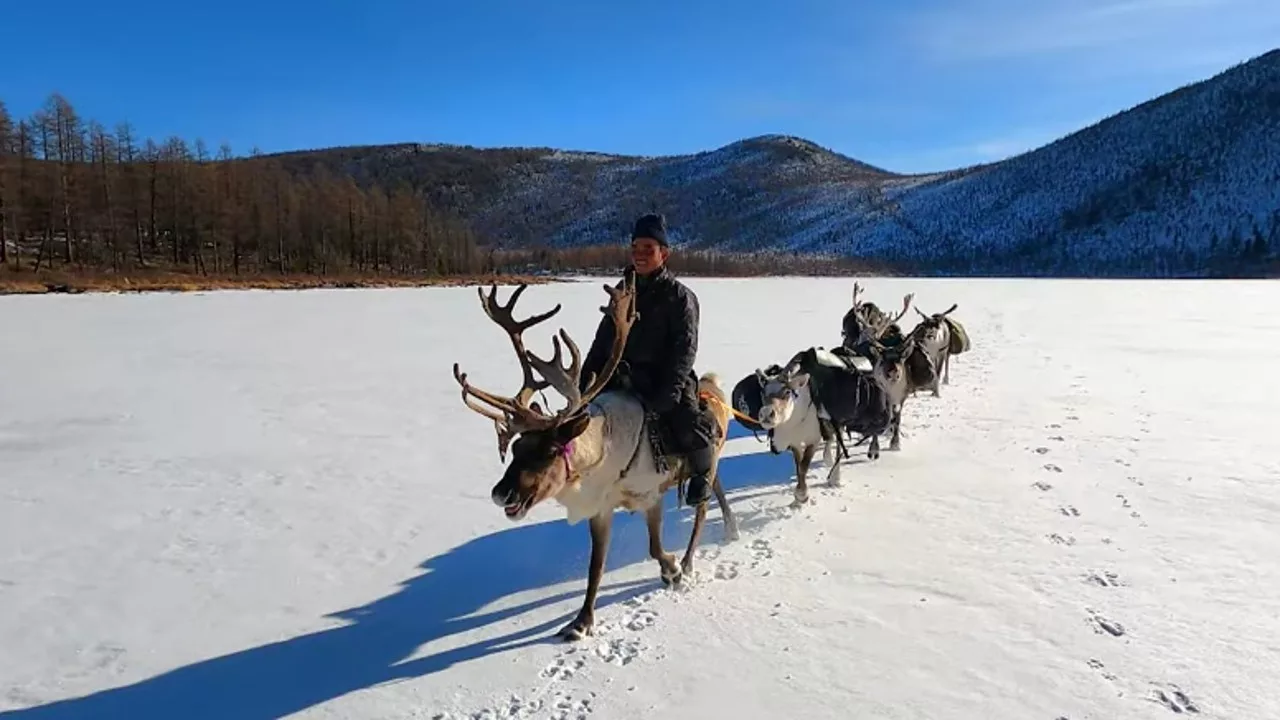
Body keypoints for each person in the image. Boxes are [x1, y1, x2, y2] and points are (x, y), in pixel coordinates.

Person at [578, 213, 718, 507]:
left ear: (664, 254)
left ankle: (703, 473)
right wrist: (586, 383)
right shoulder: (623, 290)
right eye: (635, 248)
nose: (640, 255)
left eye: (648, 249)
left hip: (664, 379)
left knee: (690, 425)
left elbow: (685, 350)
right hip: (622, 377)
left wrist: (669, 392)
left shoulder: (680, 297)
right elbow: (603, 341)